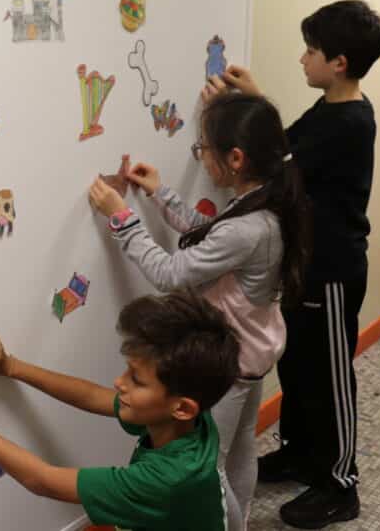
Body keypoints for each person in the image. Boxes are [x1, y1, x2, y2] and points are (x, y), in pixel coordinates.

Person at [88, 92, 310, 531]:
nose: (202, 155)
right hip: (254, 352)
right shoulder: (264, 203)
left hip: (229, 364)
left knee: (212, 468)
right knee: (240, 449)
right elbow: (209, 234)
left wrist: (122, 218)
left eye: (203, 147)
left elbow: (169, 273)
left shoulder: (249, 227)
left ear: (236, 158)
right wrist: (160, 194)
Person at [205, 0, 380, 528]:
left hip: (332, 271)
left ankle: (340, 483)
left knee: (329, 376)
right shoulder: (328, 108)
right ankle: (301, 453)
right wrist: (256, 100)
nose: (302, 59)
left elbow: (282, 167)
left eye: (311, 51)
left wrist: (244, 112)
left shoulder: (352, 121)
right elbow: (289, 148)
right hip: (304, 265)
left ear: (339, 63)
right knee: (298, 365)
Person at [0, 291, 239, 531]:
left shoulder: (167, 481)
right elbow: (93, 396)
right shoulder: (186, 414)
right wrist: (10, 366)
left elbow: (41, 480)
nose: (119, 382)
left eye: (136, 379)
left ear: (182, 408)